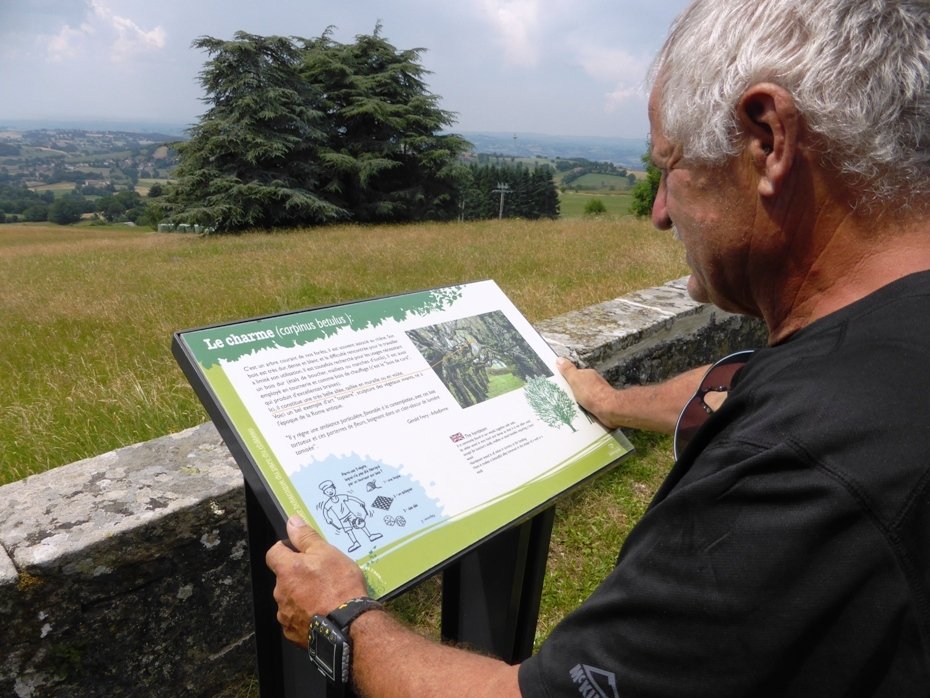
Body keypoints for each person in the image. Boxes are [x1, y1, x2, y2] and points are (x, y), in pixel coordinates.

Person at [265, 0, 930, 694]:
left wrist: (339, 618)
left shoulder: (792, 477)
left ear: (768, 140)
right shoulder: (878, 342)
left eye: (668, 167)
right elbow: (745, 379)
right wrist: (610, 401)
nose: (659, 213)